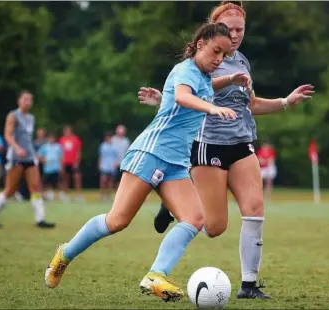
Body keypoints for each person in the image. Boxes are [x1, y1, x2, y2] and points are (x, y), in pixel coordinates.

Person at [44, 23, 249, 302]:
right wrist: (212, 107)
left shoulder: (202, 78)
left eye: (224, 55)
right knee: (117, 221)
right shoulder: (185, 69)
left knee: (195, 218)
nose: (219, 59)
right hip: (150, 153)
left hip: (175, 163)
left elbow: (202, 89)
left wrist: (229, 80)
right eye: (216, 51)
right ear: (200, 44)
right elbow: (182, 96)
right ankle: (64, 254)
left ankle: (156, 275)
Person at [138, 0, 314, 300]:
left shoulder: (243, 61)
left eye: (240, 30)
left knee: (255, 210)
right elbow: (192, 93)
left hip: (242, 145)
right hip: (208, 148)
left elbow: (250, 103)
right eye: (230, 29)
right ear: (216, 30)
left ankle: (248, 285)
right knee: (214, 227)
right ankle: (173, 205)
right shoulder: (205, 59)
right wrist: (163, 100)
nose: (235, 35)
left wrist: (286, 101)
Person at [0, 90, 56, 228]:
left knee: (36, 187)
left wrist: (33, 154)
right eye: (25, 99)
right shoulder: (13, 116)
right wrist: (17, 148)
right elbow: (8, 135)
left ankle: (40, 220)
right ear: (19, 100)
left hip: (29, 157)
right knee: (10, 190)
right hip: (16, 158)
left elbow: (27, 140)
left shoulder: (30, 117)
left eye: (30, 100)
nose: (28, 102)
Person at [58, 125, 83, 202]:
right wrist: (60, 164)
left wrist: (77, 162)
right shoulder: (61, 140)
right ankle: (65, 195)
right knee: (65, 179)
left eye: (68, 130)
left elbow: (78, 152)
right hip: (65, 163)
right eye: (65, 131)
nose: (67, 132)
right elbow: (59, 152)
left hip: (73, 162)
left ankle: (78, 195)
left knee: (77, 178)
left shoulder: (75, 139)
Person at [38, 133, 63, 201]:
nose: (51, 139)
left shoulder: (58, 146)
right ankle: (49, 194)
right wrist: (44, 160)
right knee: (47, 182)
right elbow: (39, 156)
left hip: (56, 167)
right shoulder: (44, 147)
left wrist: (61, 166)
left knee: (58, 181)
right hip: (47, 168)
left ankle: (61, 195)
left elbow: (61, 157)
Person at [98, 132, 118, 201]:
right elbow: (101, 156)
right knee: (103, 181)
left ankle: (108, 196)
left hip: (111, 166)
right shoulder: (103, 146)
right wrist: (99, 164)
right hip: (104, 166)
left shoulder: (114, 146)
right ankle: (102, 195)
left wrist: (115, 164)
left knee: (110, 181)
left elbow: (116, 157)